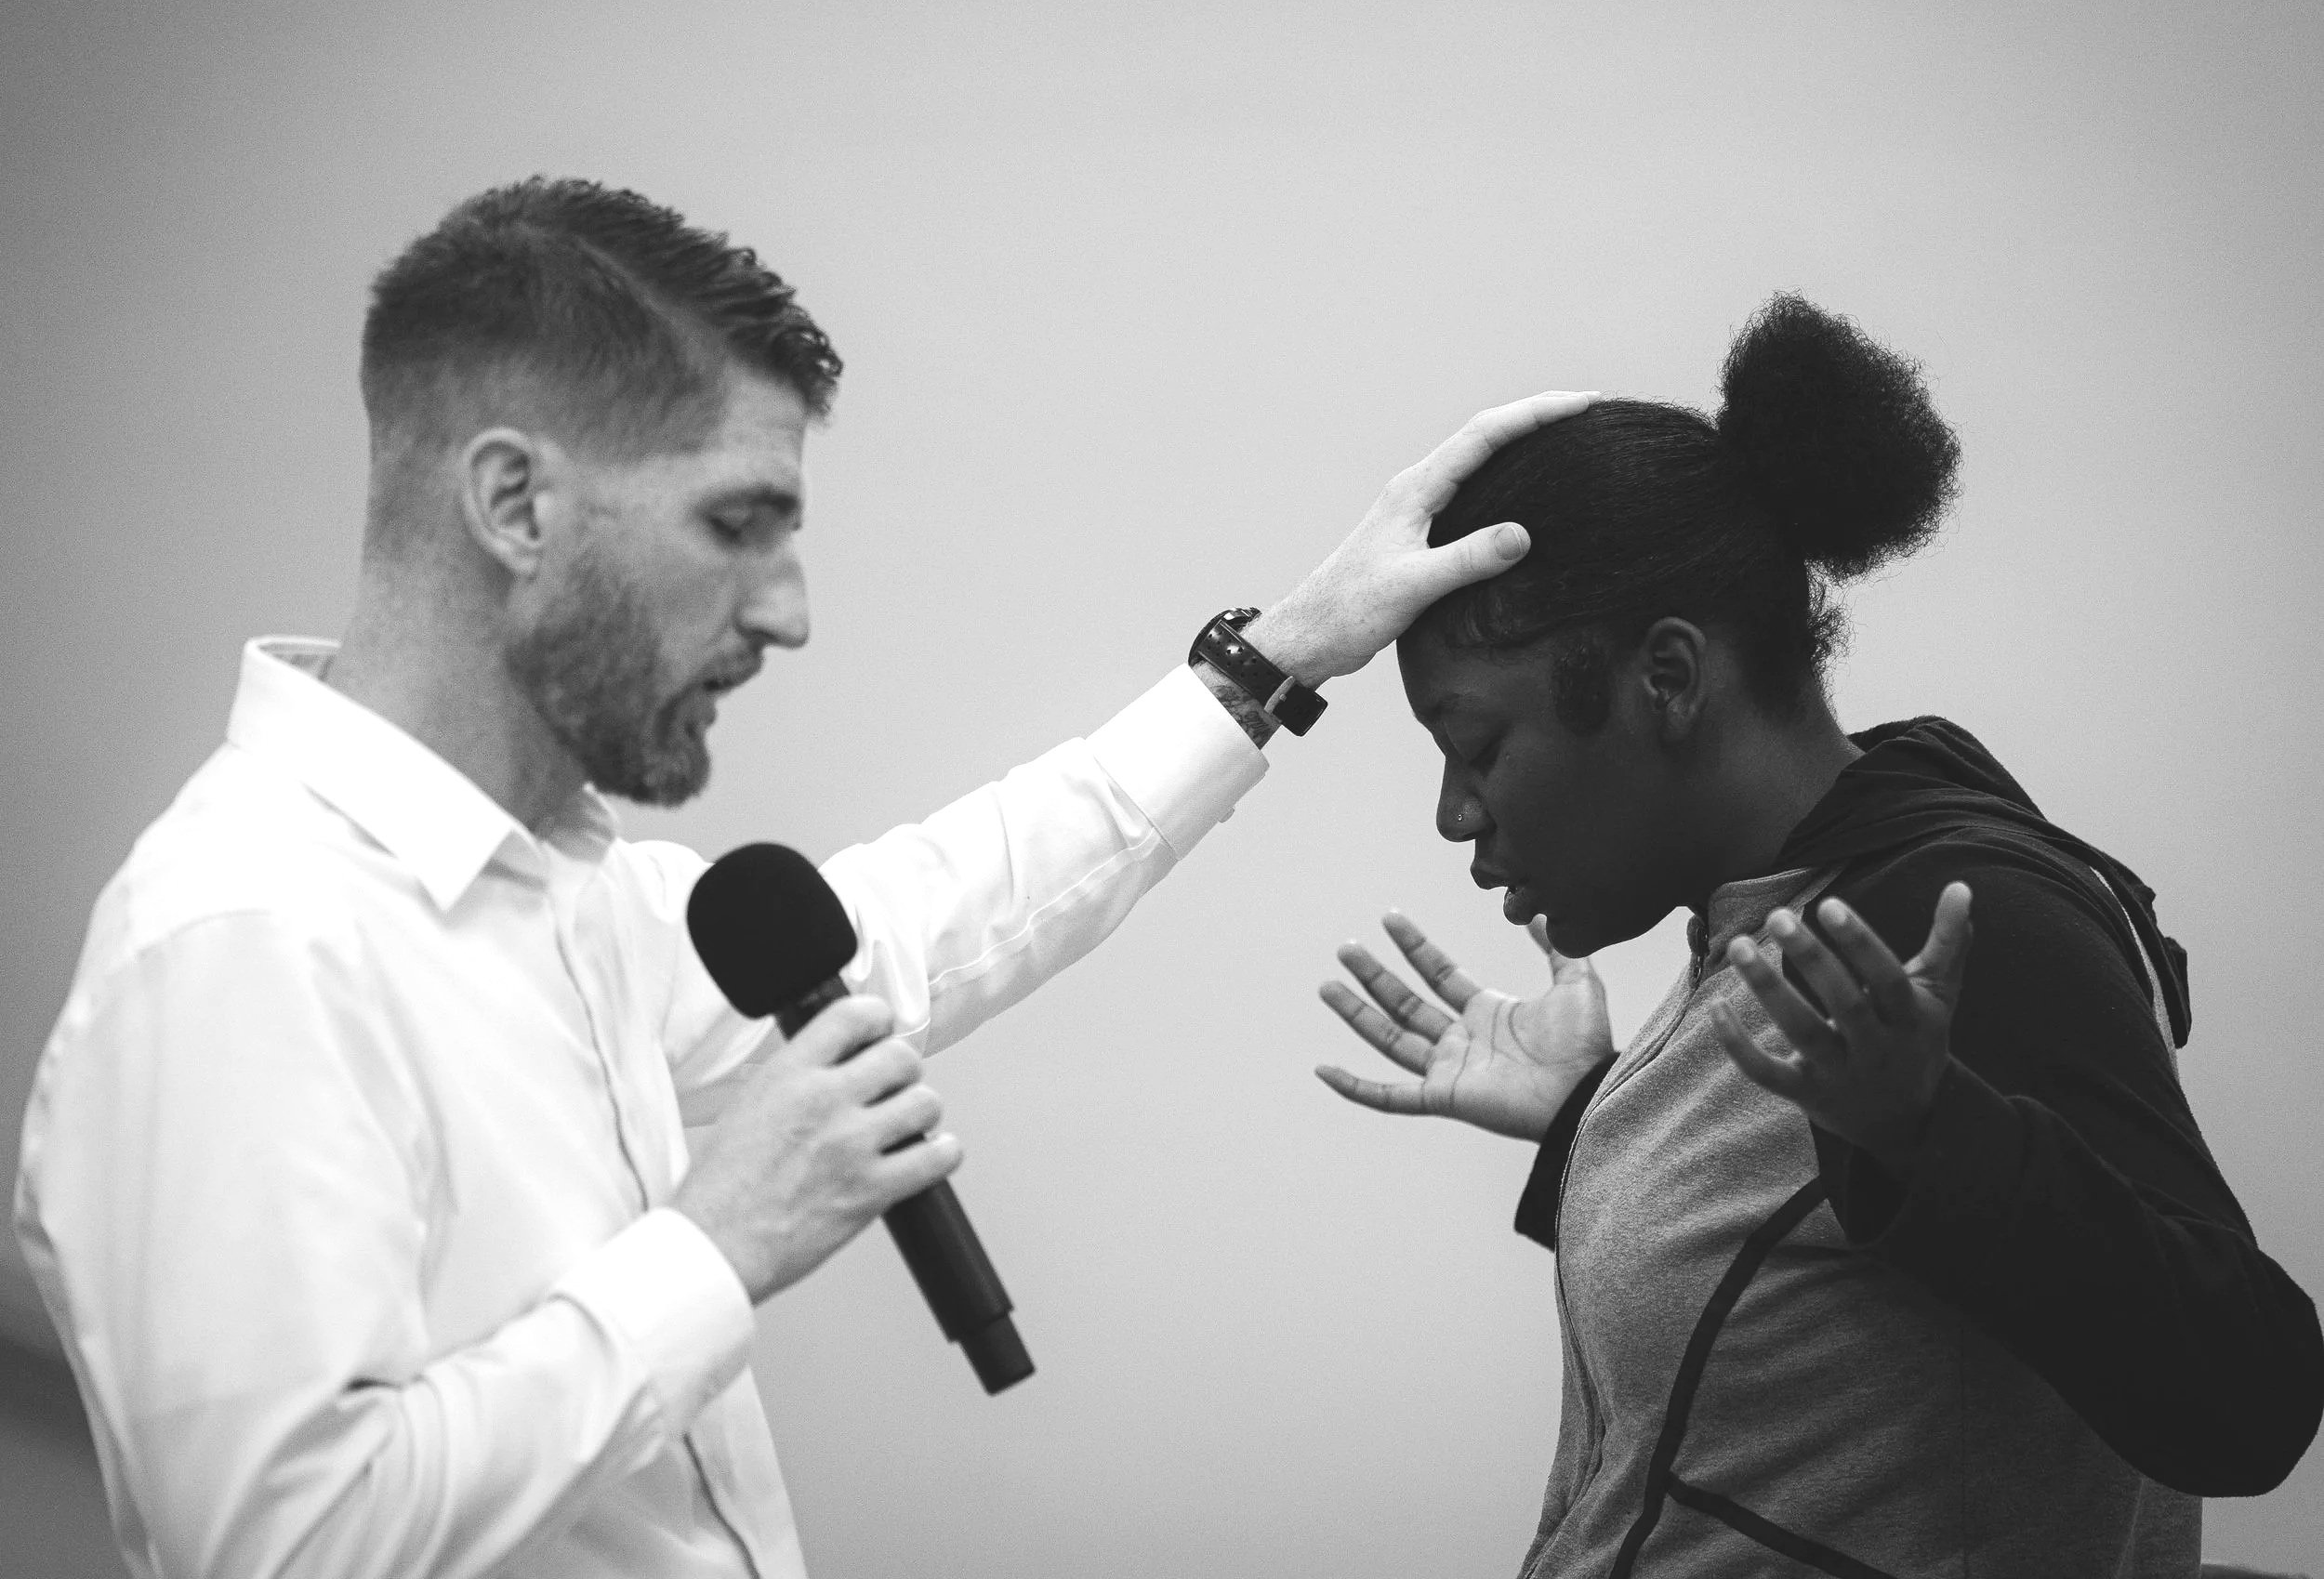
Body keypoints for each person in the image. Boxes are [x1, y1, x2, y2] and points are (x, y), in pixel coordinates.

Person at [12, 177, 1588, 1579]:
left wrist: (1272, 660)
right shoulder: (241, 945)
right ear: (513, 503)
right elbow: (282, 1546)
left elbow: (916, 924)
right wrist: (716, 1245)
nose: (790, 612)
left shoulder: (559, 896)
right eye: (736, 523)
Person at [1315, 296, 2323, 1577]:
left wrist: (1930, 1134)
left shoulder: (1959, 919)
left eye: (1476, 746)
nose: (1455, 813)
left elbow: (2249, 1395)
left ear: (1668, 679)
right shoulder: (1775, 913)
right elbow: (1823, 1305)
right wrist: (1590, 1121)